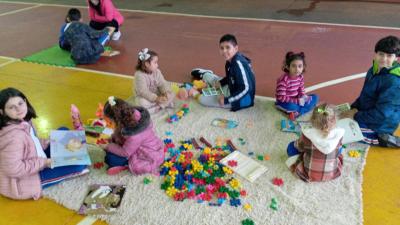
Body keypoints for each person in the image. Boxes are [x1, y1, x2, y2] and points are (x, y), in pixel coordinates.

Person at [0, 88, 88, 200]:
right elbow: (14, 169)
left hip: (34, 159)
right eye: (12, 107)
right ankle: (66, 165)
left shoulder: (24, 121)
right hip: (27, 180)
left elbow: (32, 142)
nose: (18, 109)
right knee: (78, 165)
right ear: (2, 112)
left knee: (63, 130)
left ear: (25, 102)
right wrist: (45, 162)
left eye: (20, 103)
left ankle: (60, 157)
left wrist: (46, 143)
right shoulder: (14, 137)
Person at [342, 36, 400, 148]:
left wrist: (356, 115)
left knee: (337, 132)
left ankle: (383, 138)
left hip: (380, 125)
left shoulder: (394, 82)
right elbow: (365, 96)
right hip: (367, 114)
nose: (384, 58)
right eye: (381, 54)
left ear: (396, 58)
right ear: (376, 54)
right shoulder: (373, 70)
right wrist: (354, 108)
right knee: (332, 119)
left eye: (389, 56)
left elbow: (382, 114)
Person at [100, 96, 164, 175]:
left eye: (110, 121)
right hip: (136, 145)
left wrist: (108, 146)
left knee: (110, 159)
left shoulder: (134, 135)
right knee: (112, 149)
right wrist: (113, 138)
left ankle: (126, 165)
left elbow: (125, 152)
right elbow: (120, 132)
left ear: (117, 120)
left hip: (145, 154)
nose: (109, 123)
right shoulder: (129, 114)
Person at [286, 103, 345, 182]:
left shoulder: (307, 134)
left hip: (308, 173)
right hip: (331, 173)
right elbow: (338, 152)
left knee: (292, 146)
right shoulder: (339, 134)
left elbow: (298, 147)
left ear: (312, 120)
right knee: (339, 151)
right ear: (335, 121)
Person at [198, 34, 256, 112]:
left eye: (227, 47)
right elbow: (230, 77)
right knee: (208, 77)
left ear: (236, 48)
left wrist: (226, 100)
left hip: (241, 99)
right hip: (232, 86)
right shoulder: (230, 60)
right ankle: (206, 74)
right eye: (222, 48)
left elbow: (246, 88)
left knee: (203, 99)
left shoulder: (238, 64)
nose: (224, 51)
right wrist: (221, 83)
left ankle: (200, 91)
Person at [275, 52, 319, 120]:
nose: (297, 69)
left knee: (316, 97)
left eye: (300, 66)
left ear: (303, 67)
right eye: (293, 66)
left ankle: (297, 112)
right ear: (287, 66)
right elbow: (281, 97)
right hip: (285, 101)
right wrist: (297, 101)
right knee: (292, 106)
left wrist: (304, 96)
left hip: (297, 99)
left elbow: (301, 90)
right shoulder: (283, 80)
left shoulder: (300, 77)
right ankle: (299, 110)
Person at [134, 48, 174, 114]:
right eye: (155, 62)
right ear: (147, 64)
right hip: (145, 96)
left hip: (156, 93)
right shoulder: (139, 75)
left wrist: (166, 92)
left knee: (171, 93)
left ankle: (160, 105)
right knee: (140, 103)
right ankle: (160, 106)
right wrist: (156, 98)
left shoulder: (157, 71)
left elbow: (162, 83)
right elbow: (143, 92)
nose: (157, 65)